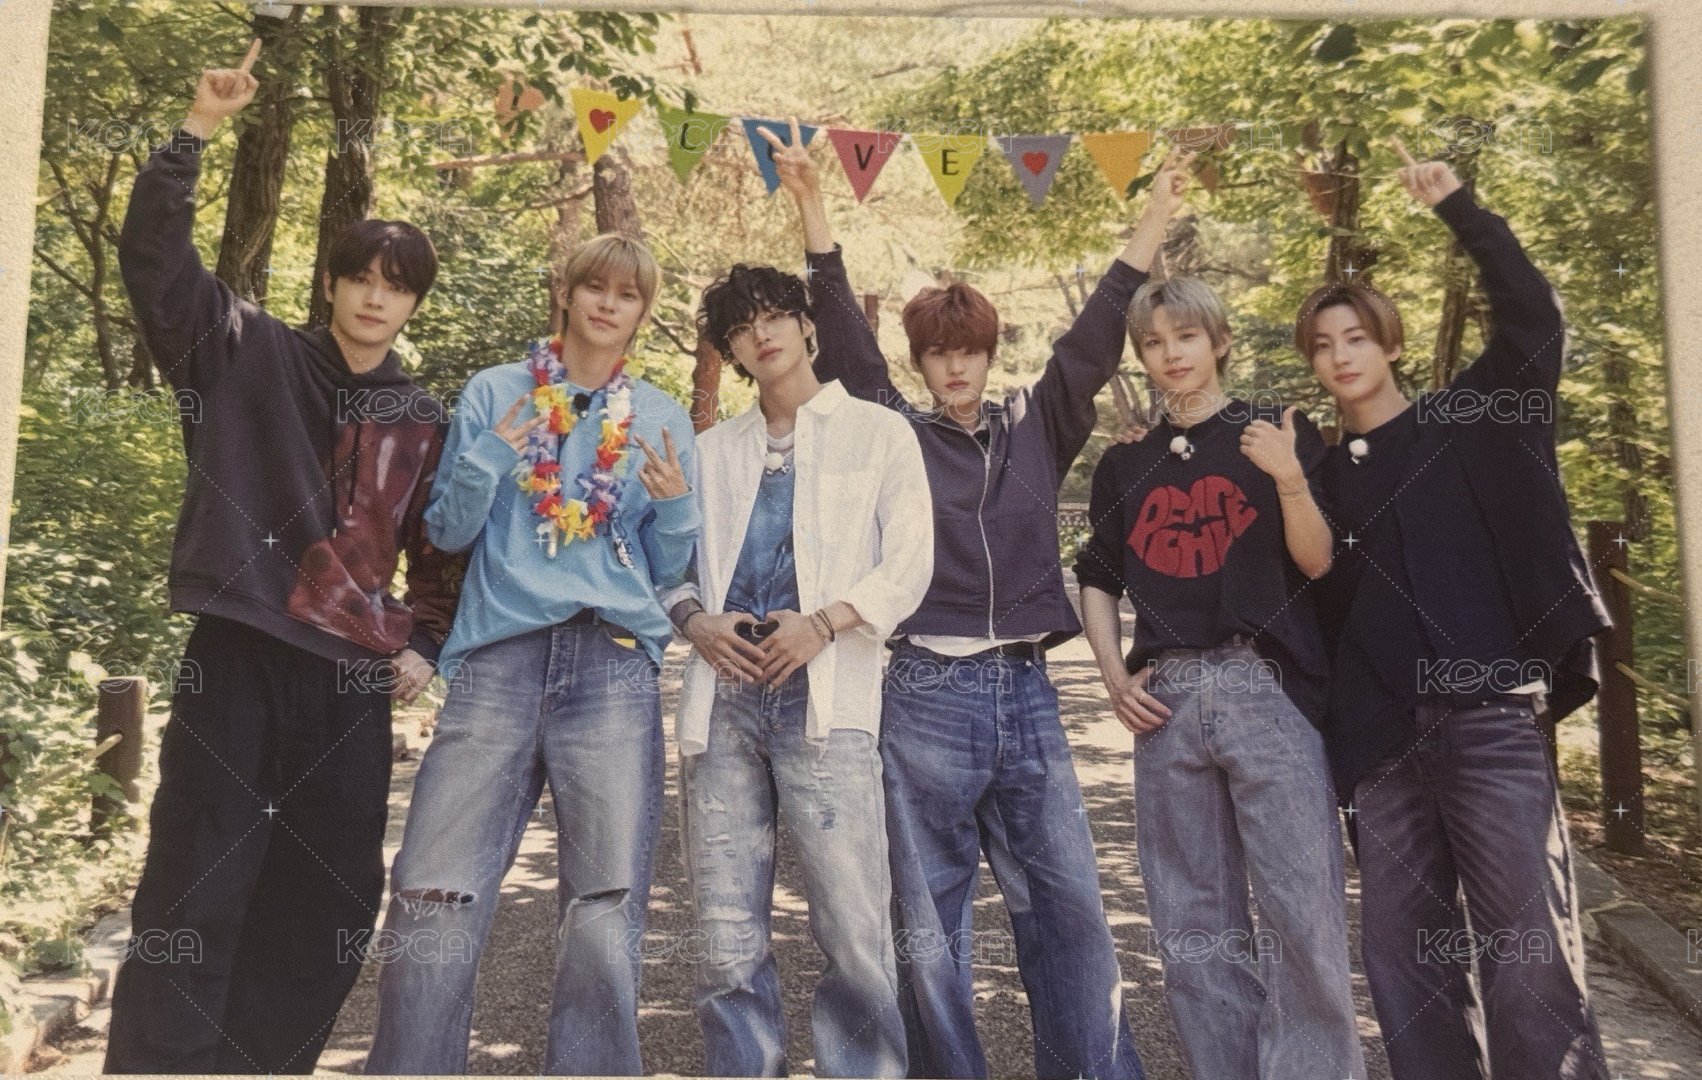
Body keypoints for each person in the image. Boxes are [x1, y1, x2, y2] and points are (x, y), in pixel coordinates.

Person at [757, 117, 1168, 1080]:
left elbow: (1098, 332)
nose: (955, 367)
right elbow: (845, 340)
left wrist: (1153, 219)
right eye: (938, 353)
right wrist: (813, 207)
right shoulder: (893, 430)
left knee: (1068, 906)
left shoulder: (1039, 421)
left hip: (1026, 693)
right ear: (920, 361)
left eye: (969, 351)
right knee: (927, 922)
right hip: (922, 695)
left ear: (989, 353)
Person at [105, 40, 461, 1074]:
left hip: (348, 679)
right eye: (360, 278)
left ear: (413, 304)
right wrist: (196, 130)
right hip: (240, 650)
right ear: (334, 282)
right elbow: (156, 265)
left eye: (396, 287)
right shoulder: (244, 349)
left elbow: (439, 547)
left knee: (330, 900)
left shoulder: (421, 415)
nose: (375, 298)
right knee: (196, 882)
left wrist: (425, 642)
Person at [1300, 138, 1611, 1080]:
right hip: (1383, 745)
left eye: (1356, 337)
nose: (1340, 355)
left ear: (1390, 344)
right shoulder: (1315, 478)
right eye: (1323, 345)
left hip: (1489, 718)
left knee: (1528, 952)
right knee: (1406, 966)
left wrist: (1459, 209)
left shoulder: (1469, 418)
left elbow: (1533, 321)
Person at [363, 233, 699, 1076]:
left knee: (604, 906)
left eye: (627, 294)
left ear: (643, 312)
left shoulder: (660, 418)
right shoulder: (496, 392)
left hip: (611, 662)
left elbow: (671, 572)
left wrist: (677, 510)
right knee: (433, 889)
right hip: (498, 660)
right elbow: (446, 532)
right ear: (567, 292)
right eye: (595, 287)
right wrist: (488, 457)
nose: (608, 304)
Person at [1073, 270, 1368, 1078]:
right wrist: (1113, 674)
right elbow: (1097, 574)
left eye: (1187, 336)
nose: (1172, 354)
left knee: (1302, 915)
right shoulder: (1126, 464)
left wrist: (1290, 476)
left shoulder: (1276, 432)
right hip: (1165, 697)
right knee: (1192, 926)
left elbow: (1320, 561)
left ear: (1220, 341)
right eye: (1155, 343)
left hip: (1266, 688)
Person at [662, 251, 933, 1077]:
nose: (763, 335)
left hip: (827, 701)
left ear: (807, 325)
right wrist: (696, 622)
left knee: (853, 928)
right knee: (724, 933)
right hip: (724, 702)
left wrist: (823, 622)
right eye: (742, 329)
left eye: (776, 316)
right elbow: (667, 567)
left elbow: (910, 563)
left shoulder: (878, 432)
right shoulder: (711, 451)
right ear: (732, 352)